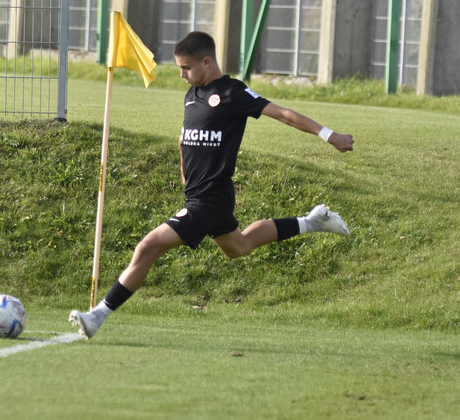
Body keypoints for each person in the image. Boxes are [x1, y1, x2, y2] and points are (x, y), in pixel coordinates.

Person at [69, 31, 355, 340]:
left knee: (148, 247)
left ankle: (97, 316)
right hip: (198, 195)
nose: (181, 75)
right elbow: (185, 141)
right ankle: (312, 222)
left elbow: (284, 115)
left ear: (207, 61)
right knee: (238, 246)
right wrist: (184, 176)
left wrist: (330, 135)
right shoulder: (191, 95)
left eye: (186, 67)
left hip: (210, 199)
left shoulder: (234, 93)